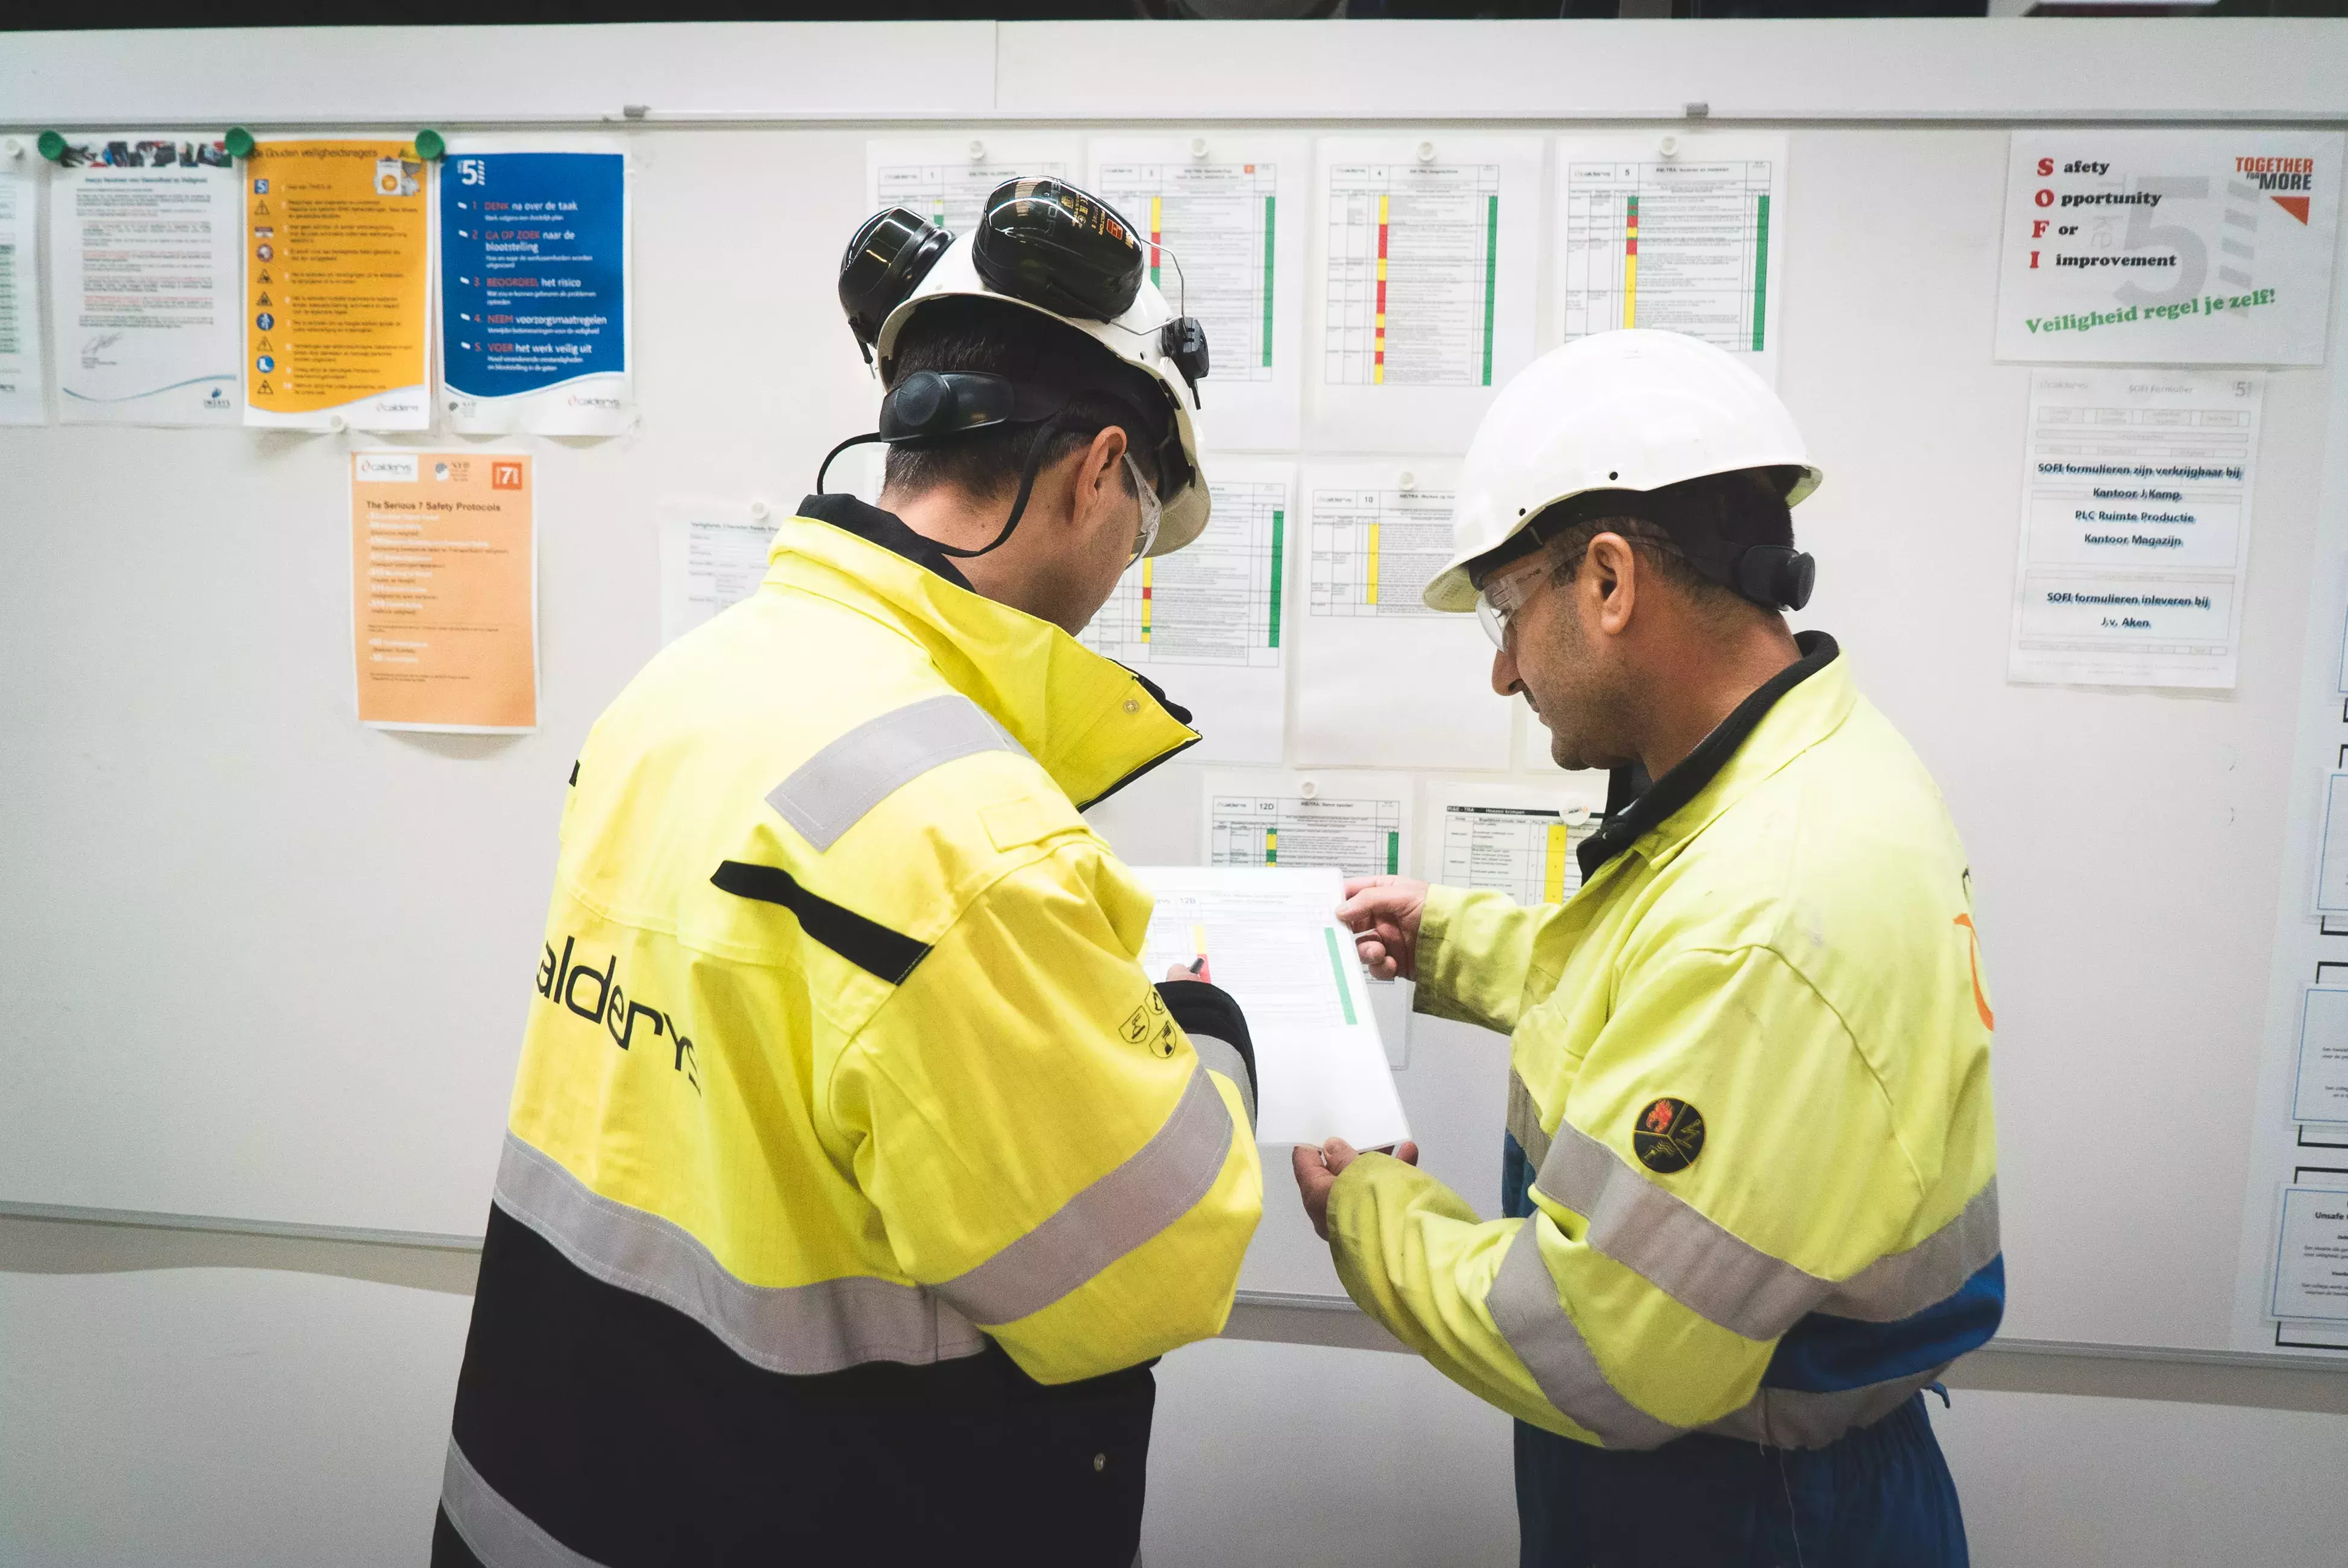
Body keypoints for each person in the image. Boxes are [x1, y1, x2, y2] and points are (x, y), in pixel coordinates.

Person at [433, 179, 1263, 1568]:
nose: (1127, 563)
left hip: (546, 1485)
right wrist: (1213, 1036)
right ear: (1095, 470)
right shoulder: (968, 834)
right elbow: (1148, 1268)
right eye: (1142, 522)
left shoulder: (685, 686)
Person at [1297, 330, 2002, 1567]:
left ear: (1610, 580)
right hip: (1752, 1462)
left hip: (1746, 1511)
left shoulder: (1770, 901)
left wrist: (1371, 1211)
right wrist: (1450, 940)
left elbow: (1600, 1342)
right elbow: (1654, 985)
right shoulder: (1796, 766)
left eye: (1507, 616)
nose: (1507, 672)